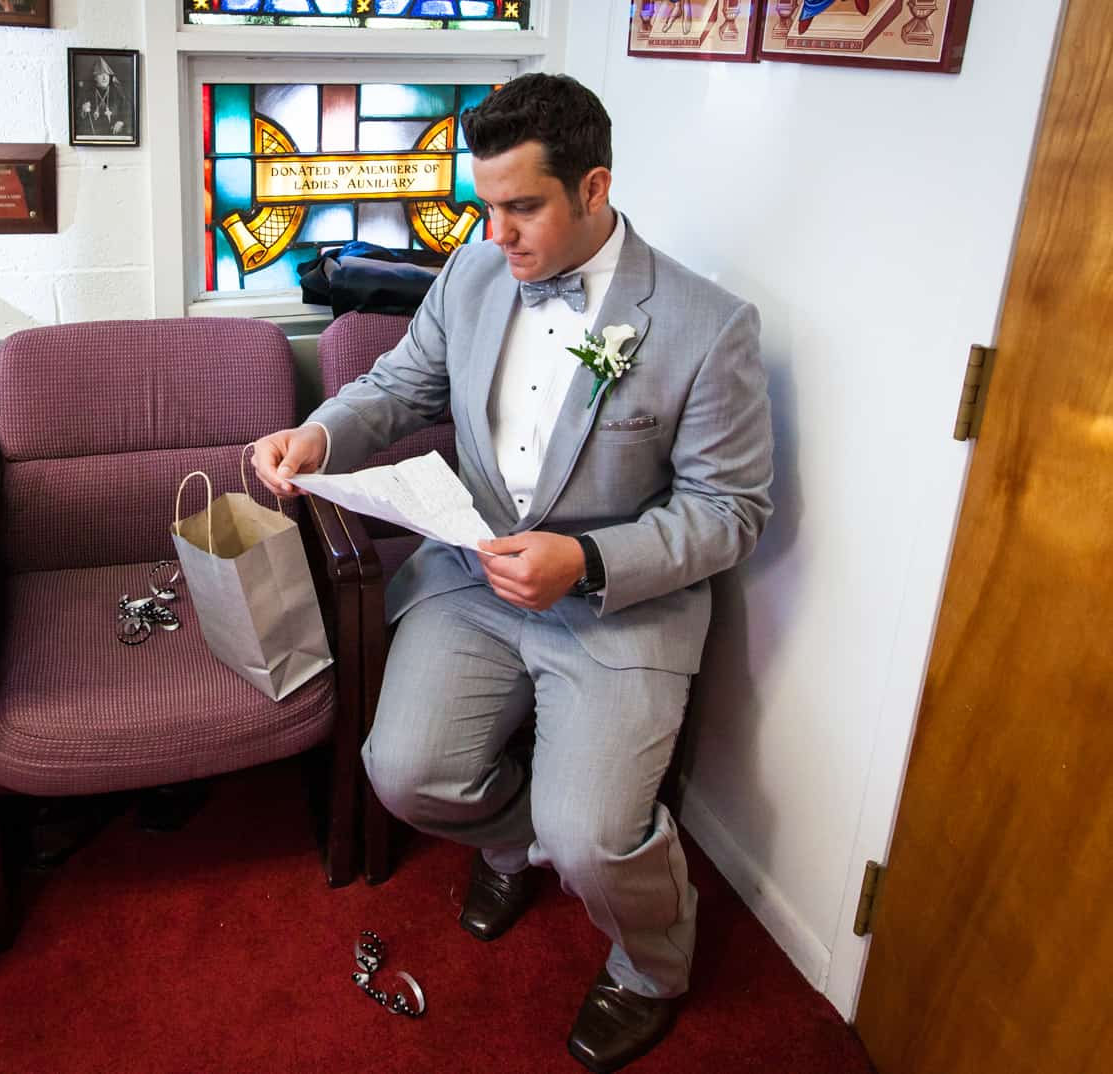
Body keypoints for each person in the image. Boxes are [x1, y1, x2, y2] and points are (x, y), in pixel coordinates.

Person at [251, 73, 773, 1073]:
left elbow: (731, 513)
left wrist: (588, 559)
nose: (494, 234)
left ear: (594, 188)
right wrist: (319, 437)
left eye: (521, 207)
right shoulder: (474, 272)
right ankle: (510, 842)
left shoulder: (710, 328)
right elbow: (402, 383)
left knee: (594, 839)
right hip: (472, 573)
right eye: (485, 206)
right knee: (402, 775)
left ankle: (650, 965)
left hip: (621, 602)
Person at [76, 56, 130, 139]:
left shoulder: (118, 92)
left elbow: (128, 111)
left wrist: (121, 122)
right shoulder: (87, 94)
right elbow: (77, 120)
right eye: (101, 74)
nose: (105, 77)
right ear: (95, 77)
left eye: (106, 74)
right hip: (94, 135)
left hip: (114, 135)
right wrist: (83, 111)